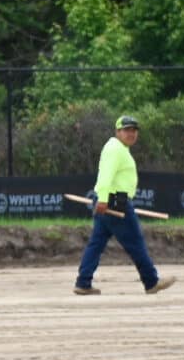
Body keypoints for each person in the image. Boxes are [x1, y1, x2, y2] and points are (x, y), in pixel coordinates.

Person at [75, 115, 178, 297]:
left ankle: (83, 282)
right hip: (115, 201)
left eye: (134, 130)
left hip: (109, 200)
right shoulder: (116, 149)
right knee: (135, 241)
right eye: (127, 130)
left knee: (96, 243)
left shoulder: (118, 148)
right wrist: (104, 199)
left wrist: (102, 199)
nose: (131, 134)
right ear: (118, 131)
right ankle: (151, 281)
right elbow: (106, 175)